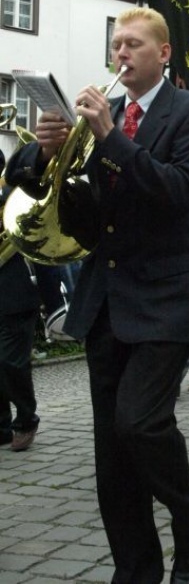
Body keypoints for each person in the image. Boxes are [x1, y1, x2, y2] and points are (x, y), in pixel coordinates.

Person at [6, 7, 189, 584]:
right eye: (116, 45)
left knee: (141, 424)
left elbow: (178, 193)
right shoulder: (101, 116)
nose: (121, 54)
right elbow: (61, 202)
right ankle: (136, 570)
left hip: (168, 296)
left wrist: (108, 137)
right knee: (112, 460)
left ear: (164, 53)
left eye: (133, 44)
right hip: (107, 300)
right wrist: (45, 154)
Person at [0, 167, 41, 452]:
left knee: (10, 362)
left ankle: (26, 418)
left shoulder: (14, 198)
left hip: (15, 295)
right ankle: (2, 427)